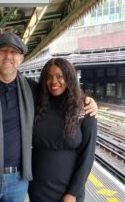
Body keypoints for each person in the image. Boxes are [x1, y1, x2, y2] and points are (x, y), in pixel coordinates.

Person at [0, 33, 98, 202]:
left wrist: (87, 101)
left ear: (21, 58)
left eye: (14, 52)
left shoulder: (31, 89)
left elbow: (59, 94)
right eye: (2, 51)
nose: (8, 56)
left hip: (18, 180)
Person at [28, 58, 97, 202]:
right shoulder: (38, 104)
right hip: (37, 188)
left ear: (69, 78)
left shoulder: (84, 108)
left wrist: (72, 193)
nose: (54, 81)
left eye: (60, 76)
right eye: (49, 76)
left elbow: (88, 155)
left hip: (68, 191)